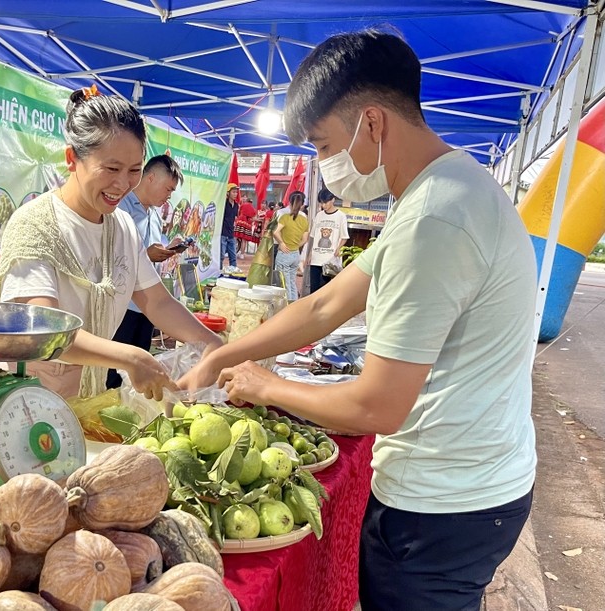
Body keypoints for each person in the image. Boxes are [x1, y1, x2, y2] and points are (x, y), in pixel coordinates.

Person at [180, 29, 536, 611]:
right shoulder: (447, 188)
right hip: (474, 486)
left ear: (372, 122)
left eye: (323, 146)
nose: (324, 166)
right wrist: (224, 354)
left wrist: (266, 386)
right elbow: (324, 305)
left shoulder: (433, 222)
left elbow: (378, 407)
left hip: (442, 504)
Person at [0, 87, 221, 401]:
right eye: (111, 169)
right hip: (31, 400)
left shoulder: (123, 227)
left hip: (91, 397)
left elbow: (157, 302)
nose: (122, 184)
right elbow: (45, 329)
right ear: (72, 159)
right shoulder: (35, 226)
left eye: (134, 171)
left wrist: (213, 345)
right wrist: (131, 357)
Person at [105, 154, 185, 389]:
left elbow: (150, 251)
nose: (169, 196)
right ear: (150, 178)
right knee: (113, 368)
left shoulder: (155, 216)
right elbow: (108, 256)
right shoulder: (119, 209)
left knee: (138, 368)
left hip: (148, 306)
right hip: (122, 305)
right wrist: (146, 255)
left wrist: (169, 249)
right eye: (168, 189)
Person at [306, 187, 349, 293]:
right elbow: (314, 236)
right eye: (321, 203)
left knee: (324, 290)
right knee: (313, 290)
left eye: (325, 202)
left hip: (330, 260)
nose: (323, 205)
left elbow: (344, 237)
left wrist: (338, 249)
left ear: (333, 200)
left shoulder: (341, 216)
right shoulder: (319, 215)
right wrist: (310, 253)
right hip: (316, 258)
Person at [272, 191, 309, 301]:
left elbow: (275, 232)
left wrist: (282, 243)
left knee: (284, 283)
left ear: (290, 202)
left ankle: (287, 305)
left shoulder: (284, 216)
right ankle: (294, 303)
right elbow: (305, 239)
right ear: (301, 204)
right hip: (295, 254)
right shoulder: (304, 219)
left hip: (284, 253)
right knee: (292, 282)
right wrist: (295, 246)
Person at [220, 183, 240, 270]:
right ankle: (219, 271)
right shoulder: (223, 204)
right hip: (223, 233)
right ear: (228, 193)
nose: (235, 194)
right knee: (221, 256)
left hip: (231, 234)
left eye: (236, 192)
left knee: (233, 256)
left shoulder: (236, 206)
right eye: (233, 192)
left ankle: (234, 272)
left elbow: (235, 218)